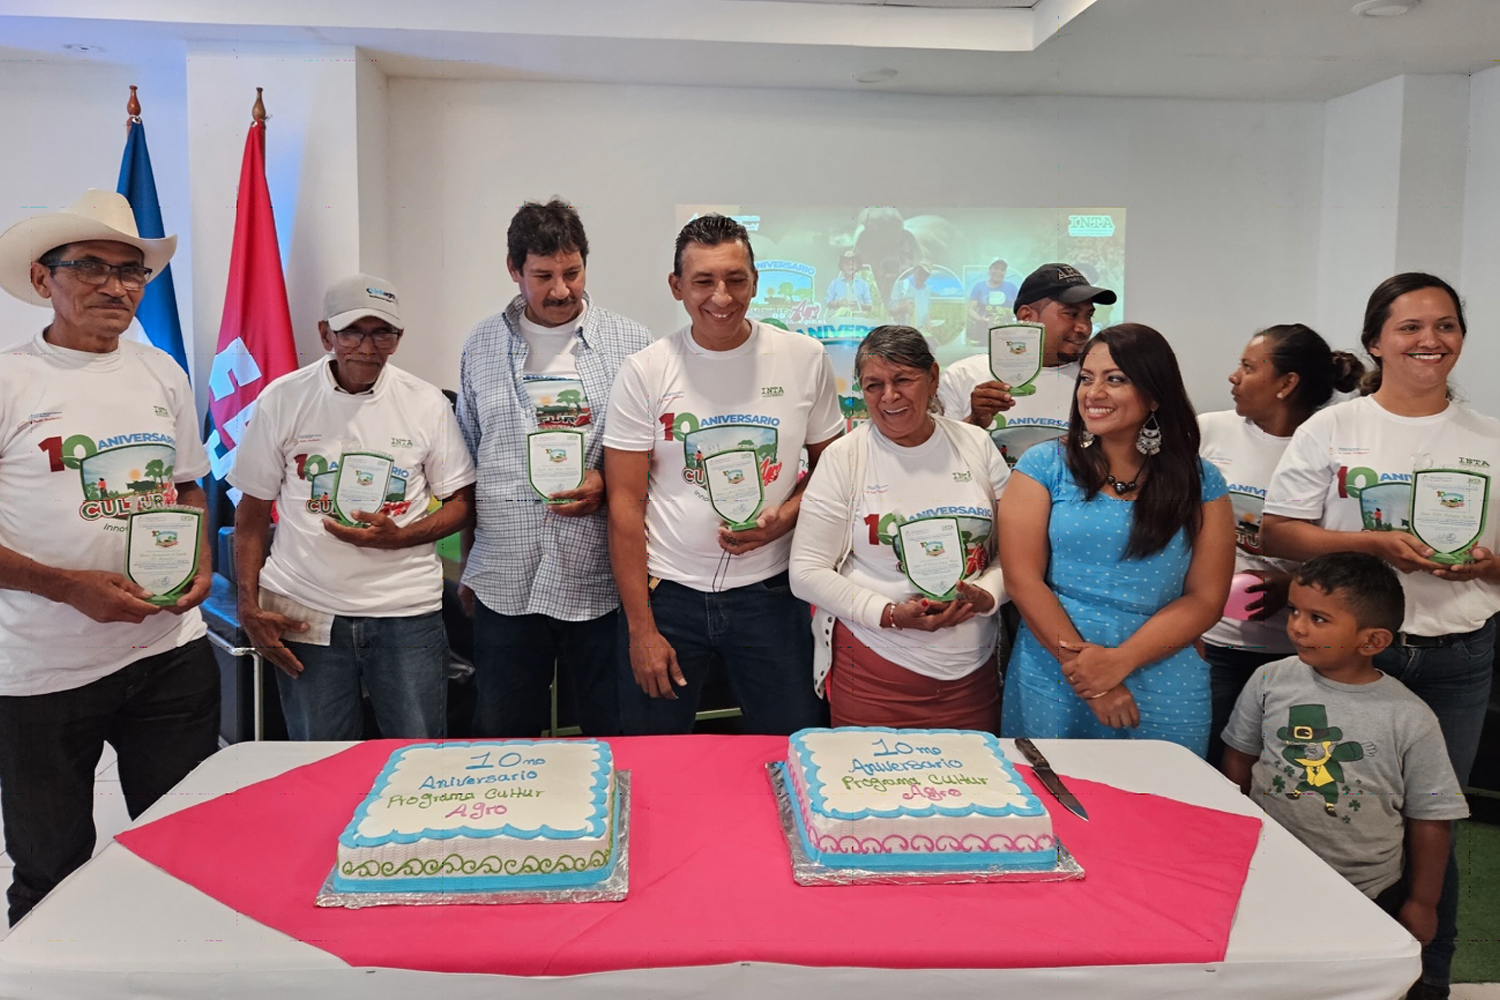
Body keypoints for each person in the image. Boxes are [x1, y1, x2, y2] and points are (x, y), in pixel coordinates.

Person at [1262, 272, 1499, 1000]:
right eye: (1410, 327)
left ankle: (1424, 983)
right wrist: (1375, 545)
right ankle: (1308, 975)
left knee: (1433, 826)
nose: (1431, 341)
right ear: (1376, 341)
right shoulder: (1333, 429)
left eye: (1446, 326)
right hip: (1346, 661)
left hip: (1456, 655)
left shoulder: (1488, 437)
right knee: (1327, 811)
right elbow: (1277, 532)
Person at [0, 191, 220, 924]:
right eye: (89, 266)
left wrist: (200, 563)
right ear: (43, 279)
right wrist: (65, 587)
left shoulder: (161, 374)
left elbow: (188, 483)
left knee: (187, 849)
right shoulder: (11, 381)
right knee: (51, 869)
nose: (115, 285)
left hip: (169, 653)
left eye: (132, 271)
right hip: (42, 670)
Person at [604, 213, 844, 734]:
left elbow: (836, 471)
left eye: (736, 279)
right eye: (703, 281)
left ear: (755, 281)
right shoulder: (645, 370)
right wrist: (641, 628)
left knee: (793, 746)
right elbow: (624, 502)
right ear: (676, 287)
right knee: (654, 754)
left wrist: (785, 518)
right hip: (667, 597)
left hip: (772, 596)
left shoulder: (804, 358)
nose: (722, 296)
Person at [231, 273, 476, 741]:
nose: (367, 346)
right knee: (318, 760)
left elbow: (462, 503)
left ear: (398, 338)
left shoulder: (426, 403)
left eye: (382, 332)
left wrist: (401, 537)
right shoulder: (282, 400)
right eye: (352, 332)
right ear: (325, 334)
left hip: (405, 612)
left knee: (419, 756)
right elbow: (252, 513)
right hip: (306, 609)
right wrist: (248, 603)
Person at [1221, 553, 1468, 991]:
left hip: (1366, 890)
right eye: (1295, 610)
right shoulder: (1268, 680)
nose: (1296, 626)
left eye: (1318, 619)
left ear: (1371, 641)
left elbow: (1432, 816)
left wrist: (1423, 902)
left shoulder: (1411, 717)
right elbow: (1240, 760)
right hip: (1271, 874)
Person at [457, 199, 650, 737]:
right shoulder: (481, 345)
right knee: (501, 734)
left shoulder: (633, 345)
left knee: (611, 731)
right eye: (543, 276)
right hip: (504, 575)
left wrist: (608, 483)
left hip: (600, 576)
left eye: (573, 272)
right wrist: (471, 563)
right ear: (514, 270)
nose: (562, 289)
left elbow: (659, 457)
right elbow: (473, 462)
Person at [998, 323, 1235, 754]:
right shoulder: (1044, 464)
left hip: (1162, 672)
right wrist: (1092, 681)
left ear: (1155, 394)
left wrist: (1118, 663)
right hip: (1057, 669)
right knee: (1053, 808)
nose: (1093, 392)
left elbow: (1206, 598)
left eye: (1115, 379)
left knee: (1164, 810)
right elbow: (1022, 579)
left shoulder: (1202, 481)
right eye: (1086, 378)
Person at [789, 326, 1009, 730]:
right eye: (874, 385)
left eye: (903, 379)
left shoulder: (976, 445)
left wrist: (987, 595)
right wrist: (889, 614)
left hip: (972, 677)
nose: (889, 396)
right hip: (874, 676)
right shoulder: (845, 458)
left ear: (933, 378)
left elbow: (1017, 555)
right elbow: (806, 572)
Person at [1198, 324, 1365, 765]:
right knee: (1208, 764)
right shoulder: (1210, 432)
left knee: (1284, 772)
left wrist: (1292, 584)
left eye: (1249, 367)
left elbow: (1352, 552)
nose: (1234, 377)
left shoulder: (1334, 448)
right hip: (1211, 640)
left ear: (1286, 384)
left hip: (1297, 653)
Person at [940, 263, 1117, 468]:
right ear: (1027, 317)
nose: (1084, 327)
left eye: (1088, 315)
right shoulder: (963, 375)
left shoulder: (1098, 384)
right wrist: (975, 421)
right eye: (1071, 314)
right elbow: (940, 462)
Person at [964, 257, 1020, 347]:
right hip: (984, 331)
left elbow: (1018, 308)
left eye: (1002, 269)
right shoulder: (979, 287)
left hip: (1006, 332)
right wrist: (980, 319)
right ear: (990, 270)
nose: (999, 272)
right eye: (996, 268)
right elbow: (970, 309)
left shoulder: (1012, 288)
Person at [887, 261, 934, 331]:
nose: (922, 277)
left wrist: (928, 322)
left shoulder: (927, 290)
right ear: (914, 271)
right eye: (920, 272)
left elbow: (927, 310)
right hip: (903, 331)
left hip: (921, 331)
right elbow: (890, 310)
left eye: (925, 274)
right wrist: (902, 308)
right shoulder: (901, 286)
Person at [824, 250, 872, 315]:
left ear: (857, 266)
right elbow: (827, 302)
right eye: (847, 264)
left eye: (852, 264)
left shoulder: (863, 284)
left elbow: (869, 306)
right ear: (842, 266)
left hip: (859, 321)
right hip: (838, 321)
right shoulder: (835, 283)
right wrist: (838, 303)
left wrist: (857, 305)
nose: (850, 267)